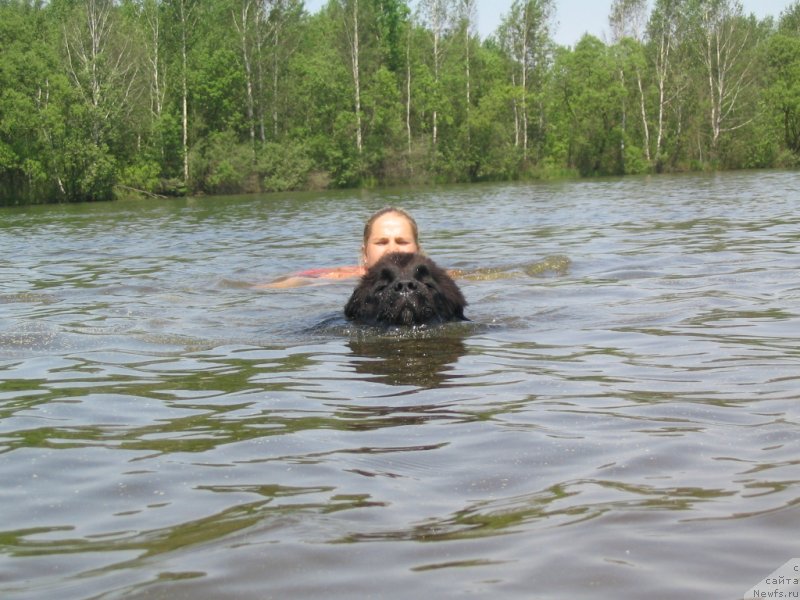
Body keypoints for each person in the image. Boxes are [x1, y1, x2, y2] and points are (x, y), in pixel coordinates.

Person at [259, 207, 421, 288]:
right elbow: (299, 281)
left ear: (418, 251)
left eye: (402, 242)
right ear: (365, 253)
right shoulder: (341, 277)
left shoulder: (433, 278)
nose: (392, 249)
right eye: (381, 242)